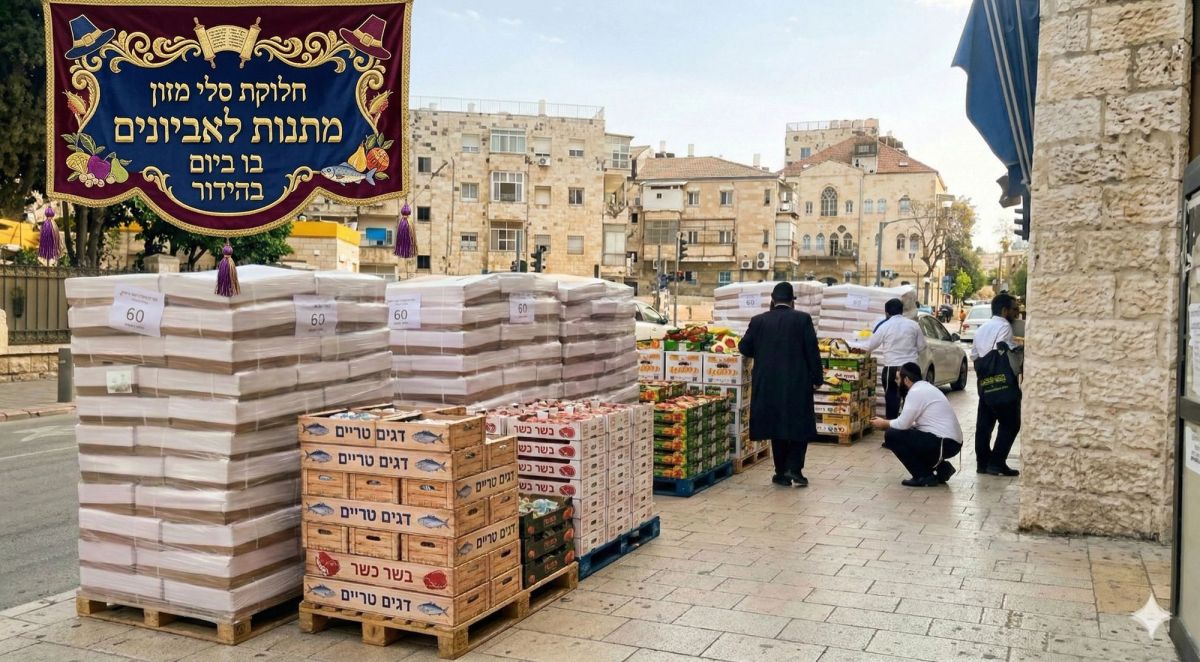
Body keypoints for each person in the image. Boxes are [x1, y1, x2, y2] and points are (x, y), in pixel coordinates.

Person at [738, 282, 823, 488]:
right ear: (792, 302)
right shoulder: (802, 319)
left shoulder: (758, 321)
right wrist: (817, 378)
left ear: (772, 300)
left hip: (768, 384)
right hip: (797, 383)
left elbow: (744, 347)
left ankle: (780, 472)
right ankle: (795, 469)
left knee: (777, 427)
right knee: (799, 426)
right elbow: (812, 351)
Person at [869, 362, 963, 487]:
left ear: (906, 380)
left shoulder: (916, 392)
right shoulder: (924, 387)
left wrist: (883, 423)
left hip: (945, 443)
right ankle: (942, 469)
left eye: (898, 379)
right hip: (950, 442)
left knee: (892, 435)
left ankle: (924, 476)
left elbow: (902, 424)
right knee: (907, 435)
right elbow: (913, 422)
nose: (896, 383)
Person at [971, 293, 1022, 476]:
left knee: (984, 424)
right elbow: (1006, 350)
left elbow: (974, 356)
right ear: (1004, 310)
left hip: (984, 384)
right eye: (1015, 309)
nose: (1017, 313)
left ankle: (982, 463)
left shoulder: (981, 328)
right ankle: (997, 463)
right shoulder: (1005, 327)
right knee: (1011, 423)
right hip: (1002, 384)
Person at [861, 298, 926, 419]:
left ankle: (892, 431)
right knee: (912, 400)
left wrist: (854, 346)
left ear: (887, 313)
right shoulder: (914, 325)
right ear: (902, 311)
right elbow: (922, 346)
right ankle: (911, 429)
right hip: (911, 369)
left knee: (892, 402)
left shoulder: (885, 326)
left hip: (892, 368)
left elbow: (870, 346)